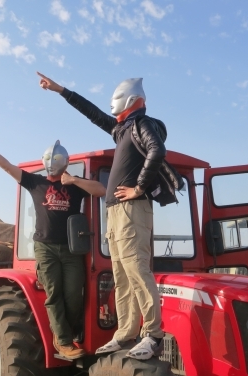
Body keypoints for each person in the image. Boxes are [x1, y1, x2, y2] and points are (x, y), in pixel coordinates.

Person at [36, 72, 166, 360]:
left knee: (137, 270)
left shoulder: (143, 124)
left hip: (132, 210)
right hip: (116, 213)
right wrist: (60, 90)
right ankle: (126, 332)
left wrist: (139, 187)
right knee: (121, 274)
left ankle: (153, 334)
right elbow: (92, 113)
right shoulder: (122, 130)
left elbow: (157, 151)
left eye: (117, 99)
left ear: (132, 100)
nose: (112, 105)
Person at [0, 127, 106, 359]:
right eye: (50, 160)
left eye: (57, 160)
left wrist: (74, 180)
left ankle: (67, 333)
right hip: (46, 248)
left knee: (74, 294)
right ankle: (62, 341)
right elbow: (6, 166)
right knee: (54, 293)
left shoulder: (75, 185)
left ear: (65, 163)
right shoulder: (35, 182)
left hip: (72, 249)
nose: (53, 163)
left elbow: (101, 190)